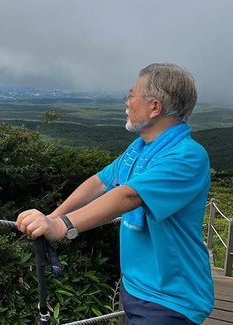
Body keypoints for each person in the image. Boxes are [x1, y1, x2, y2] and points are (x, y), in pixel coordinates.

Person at [16, 63, 214, 324]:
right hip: (136, 286)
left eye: (131, 95)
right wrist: (52, 216)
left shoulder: (187, 156)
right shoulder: (141, 147)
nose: (127, 101)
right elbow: (99, 182)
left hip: (171, 297)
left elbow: (129, 196)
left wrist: (62, 226)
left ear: (155, 107)